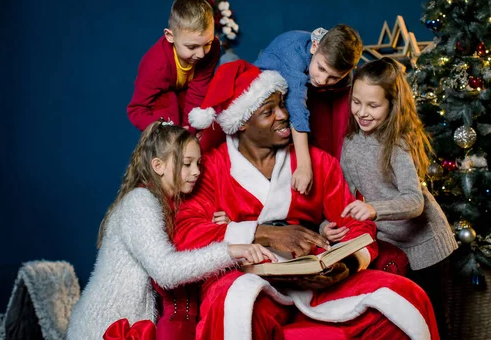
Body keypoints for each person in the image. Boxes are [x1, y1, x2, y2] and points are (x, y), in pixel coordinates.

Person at [182, 60, 440, 340]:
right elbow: (187, 231)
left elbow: (354, 223)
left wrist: (348, 263)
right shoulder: (209, 169)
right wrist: (263, 234)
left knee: (403, 298)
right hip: (248, 277)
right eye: (269, 111)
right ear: (242, 123)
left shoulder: (318, 163)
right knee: (235, 303)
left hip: (315, 281)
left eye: (283, 104)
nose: (284, 115)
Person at [67, 121, 275, 340]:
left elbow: (186, 251)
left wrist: (223, 227)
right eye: (187, 164)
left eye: (198, 163)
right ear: (158, 166)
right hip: (102, 328)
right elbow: (166, 271)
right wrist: (230, 250)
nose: (196, 172)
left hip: (129, 325)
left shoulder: (167, 204)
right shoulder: (140, 202)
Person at [322, 57, 458, 336]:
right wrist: (328, 225)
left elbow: (414, 202)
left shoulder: (398, 142)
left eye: (373, 105)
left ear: (392, 105)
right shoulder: (351, 140)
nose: (362, 112)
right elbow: (344, 198)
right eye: (356, 102)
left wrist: (372, 208)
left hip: (428, 247)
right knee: (399, 322)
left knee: (435, 325)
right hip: (390, 244)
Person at [253, 25, 362, 194]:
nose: (324, 80)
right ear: (314, 46)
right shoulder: (294, 51)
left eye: (334, 77)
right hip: (264, 85)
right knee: (293, 109)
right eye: (321, 68)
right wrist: (304, 165)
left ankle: (342, 182)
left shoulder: (341, 72)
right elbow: (296, 105)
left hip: (306, 90)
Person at [127, 0, 221, 133]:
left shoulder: (212, 49)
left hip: (187, 97)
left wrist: (190, 132)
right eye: (191, 47)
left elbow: (198, 91)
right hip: (161, 110)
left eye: (207, 43)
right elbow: (136, 110)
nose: (201, 54)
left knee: (212, 102)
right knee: (169, 100)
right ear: (170, 36)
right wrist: (170, 133)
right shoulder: (156, 65)